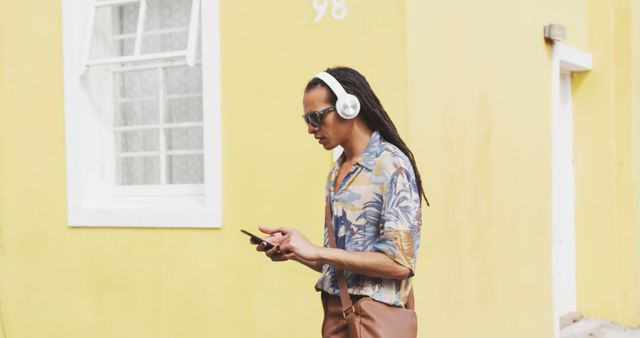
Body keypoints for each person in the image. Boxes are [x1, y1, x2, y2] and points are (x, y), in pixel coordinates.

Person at [251, 67, 428, 337]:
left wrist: (316, 251)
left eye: (316, 117)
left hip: (376, 321)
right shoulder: (338, 171)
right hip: (338, 317)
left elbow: (399, 264)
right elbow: (345, 264)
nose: (311, 128)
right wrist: (297, 250)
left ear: (348, 107)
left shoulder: (391, 165)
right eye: (306, 119)